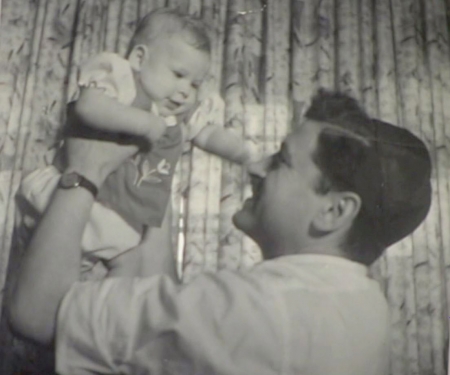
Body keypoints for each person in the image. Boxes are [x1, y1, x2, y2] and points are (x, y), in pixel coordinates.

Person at [8, 90, 432, 375]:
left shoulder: (258, 310)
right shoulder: (362, 305)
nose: (256, 168)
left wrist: (86, 170)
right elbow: (173, 324)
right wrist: (151, 184)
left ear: (335, 210)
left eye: (280, 161)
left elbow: (39, 314)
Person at [19, 8, 255, 273]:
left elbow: (209, 134)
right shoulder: (121, 81)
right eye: (178, 74)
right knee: (52, 267)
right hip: (73, 200)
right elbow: (88, 107)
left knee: (130, 278)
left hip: (121, 219)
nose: (185, 91)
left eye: (195, 84)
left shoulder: (179, 117)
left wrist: (245, 155)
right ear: (139, 59)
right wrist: (142, 122)